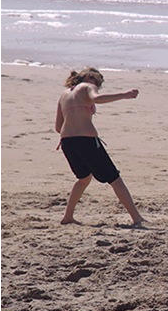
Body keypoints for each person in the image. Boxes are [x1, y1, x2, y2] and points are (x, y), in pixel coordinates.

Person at [54, 67, 144, 227]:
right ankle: (137, 218)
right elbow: (97, 98)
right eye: (97, 81)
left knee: (83, 179)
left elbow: (58, 127)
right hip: (86, 141)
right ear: (89, 77)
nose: (97, 85)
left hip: (67, 142)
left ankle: (68, 216)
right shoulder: (87, 86)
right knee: (114, 178)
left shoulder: (64, 95)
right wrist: (124, 95)